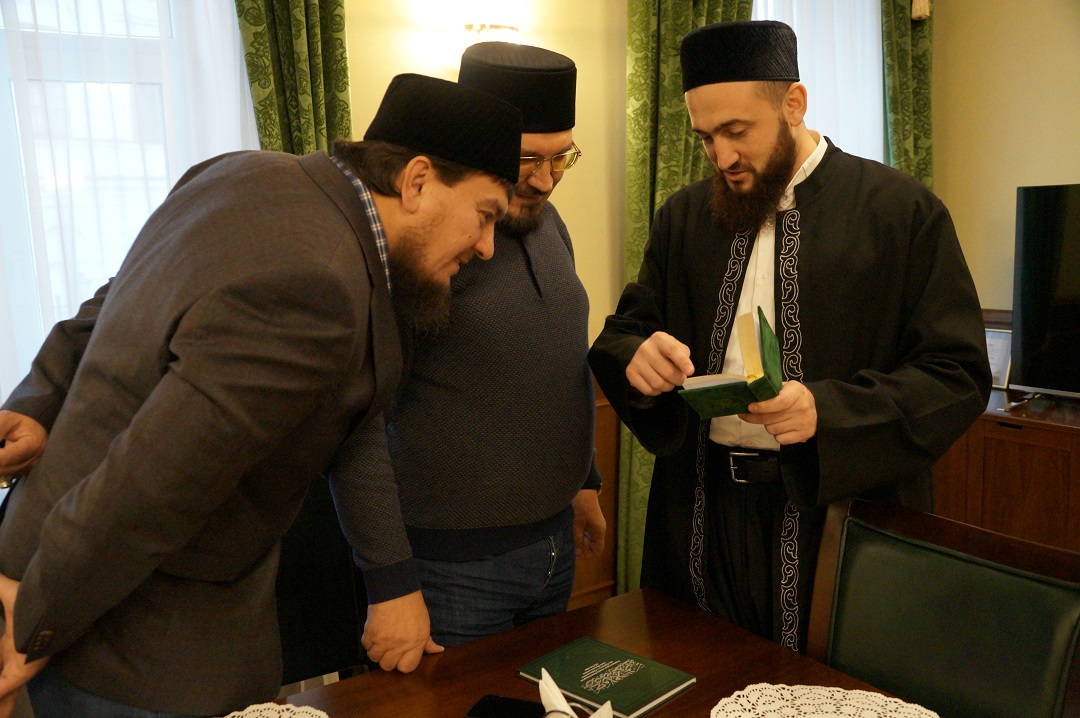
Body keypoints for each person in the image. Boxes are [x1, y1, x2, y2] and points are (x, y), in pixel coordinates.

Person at [0, 73, 522, 718]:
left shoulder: (244, 173)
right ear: (416, 181)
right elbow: (154, 482)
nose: (487, 246)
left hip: (56, 555)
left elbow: (111, 304)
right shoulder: (318, 285)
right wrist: (35, 620)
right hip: (144, 642)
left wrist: (36, 399)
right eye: (485, 215)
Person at [588, 20, 992, 652]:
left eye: (736, 131)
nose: (722, 157)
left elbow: (956, 375)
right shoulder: (684, 216)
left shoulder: (900, 212)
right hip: (702, 515)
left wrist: (825, 411)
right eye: (705, 138)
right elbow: (624, 333)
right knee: (699, 675)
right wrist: (637, 357)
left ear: (794, 104)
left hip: (837, 521)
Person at [329, 41, 605, 654]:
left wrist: (583, 481)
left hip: (554, 548)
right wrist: (391, 580)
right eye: (528, 159)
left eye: (562, 157)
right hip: (449, 574)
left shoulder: (549, 225)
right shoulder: (420, 248)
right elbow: (357, 427)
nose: (546, 180)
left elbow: (563, 360)